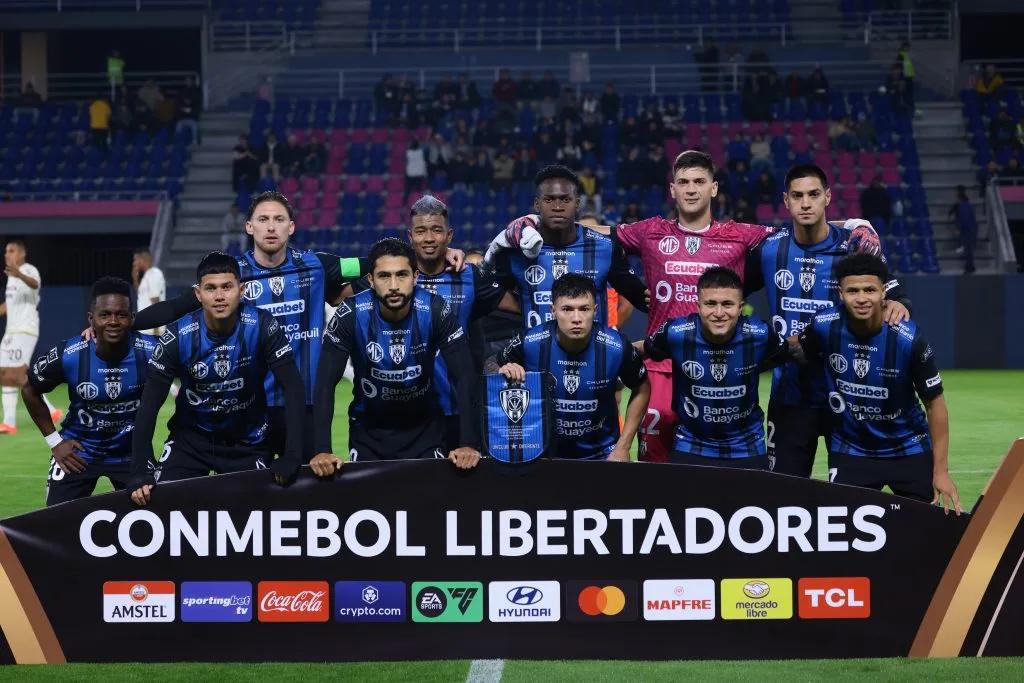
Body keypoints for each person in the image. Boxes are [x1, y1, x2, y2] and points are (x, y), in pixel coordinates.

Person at [131, 192, 464, 464]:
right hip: (252, 409)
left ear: (292, 227)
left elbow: (377, 262)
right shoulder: (231, 276)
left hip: (303, 406)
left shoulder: (320, 264)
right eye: (263, 219)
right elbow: (178, 306)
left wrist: (442, 253)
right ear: (249, 227)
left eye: (279, 219)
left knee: (310, 494)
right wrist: (123, 325)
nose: (271, 227)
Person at [743, 164, 911, 477]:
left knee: (850, 498)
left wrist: (899, 305)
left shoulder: (855, 245)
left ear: (827, 197)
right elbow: (729, 291)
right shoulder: (769, 249)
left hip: (848, 396)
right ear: (786, 201)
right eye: (798, 196)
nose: (805, 202)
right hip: (790, 396)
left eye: (813, 194)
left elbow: (896, 295)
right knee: (782, 493)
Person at [128, 252, 305, 506]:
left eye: (227, 287)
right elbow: (148, 407)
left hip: (248, 440)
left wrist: (292, 455)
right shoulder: (177, 337)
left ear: (241, 290)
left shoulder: (263, 325)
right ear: (198, 294)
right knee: (160, 503)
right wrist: (139, 471)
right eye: (211, 288)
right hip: (190, 440)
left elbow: (294, 387)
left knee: (260, 512)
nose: (219, 296)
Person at [346, 196, 518, 451]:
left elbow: (525, 308)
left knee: (465, 486)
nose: (428, 238)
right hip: (411, 418)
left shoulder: (468, 278)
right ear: (410, 236)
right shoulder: (392, 279)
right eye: (421, 231)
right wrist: (371, 262)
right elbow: (333, 290)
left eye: (437, 231)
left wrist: (506, 357)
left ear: (449, 236)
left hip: (461, 410)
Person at [798, 253, 961, 512]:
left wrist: (940, 471)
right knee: (844, 537)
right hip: (851, 451)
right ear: (840, 293)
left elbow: (935, 404)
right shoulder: (823, 326)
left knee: (925, 535)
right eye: (852, 290)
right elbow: (795, 349)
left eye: (869, 290)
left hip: (908, 449)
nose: (861, 298)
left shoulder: (909, 339)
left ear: (883, 292)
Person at [310, 239, 481, 471]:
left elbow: (465, 375)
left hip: (426, 431)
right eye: (383, 276)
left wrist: (468, 443)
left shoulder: (436, 309)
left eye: (402, 274)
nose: (393, 285)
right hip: (369, 433)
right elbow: (324, 383)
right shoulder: (350, 314)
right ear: (370, 280)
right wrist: (322, 448)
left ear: (416, 277)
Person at [640, 267, 798, 468]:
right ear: (698, 306)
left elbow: (790, 352)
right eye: (710, 304)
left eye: (727, 304)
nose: (719, 313)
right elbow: (641, 351)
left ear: (741, 307)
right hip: (690, 445)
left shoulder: (760, 333)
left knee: (750, 501)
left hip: (747, 446)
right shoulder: (675, 333)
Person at [22, 278, 157, 505]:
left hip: (133, 454)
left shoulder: (153, 351)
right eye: (104, 315)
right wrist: (55, 442)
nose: (113, 321)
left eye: (121, 315)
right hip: (77, 453)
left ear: (132, 318)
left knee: (155, 519)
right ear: (91, 319)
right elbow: (29, 389)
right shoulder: (70, 354)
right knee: (54, 523)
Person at [490, 273, 649, 461]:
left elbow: (642, 388)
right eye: (567, 309)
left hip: (602, 454)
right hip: (543, 453)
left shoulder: (616, 346)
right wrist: (500, 371)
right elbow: (490, 364)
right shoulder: (530, 342)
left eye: (584, 309)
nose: (576, 318)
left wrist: (624, 446)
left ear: (595, 311)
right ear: (553, 311)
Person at [486, 165, 648, 330]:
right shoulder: (516, 251)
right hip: (537, 354)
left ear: (577, 204)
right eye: (549, 199)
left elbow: (642, 299)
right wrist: (525, 304)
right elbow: (487, 294)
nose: (557, 207)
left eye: (565, 199)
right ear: (537, 204)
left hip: (594, 354)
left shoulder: (605, 248)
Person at [2, 240, 61, 434]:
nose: (7, 255)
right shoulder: (11, 278)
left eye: (11, 251)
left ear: (22, 253)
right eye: (6, 252)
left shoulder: (28, 270)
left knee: (17, 375)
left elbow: (35, 285)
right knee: (5, 374)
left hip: (25, 329)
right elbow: (9, 305)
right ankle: (10, 422)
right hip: (11, 331)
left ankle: (16, 421)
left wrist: (19, 274)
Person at [132, 248, 166, 336]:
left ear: (142, 260)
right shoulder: (147, 276)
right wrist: (135, 279)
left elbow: (155, 304)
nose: (134, 263)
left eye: (135, 260)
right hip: (146, 329)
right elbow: (141, 296)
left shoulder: (154, 274)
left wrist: (156, 330)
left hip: (153, 331)